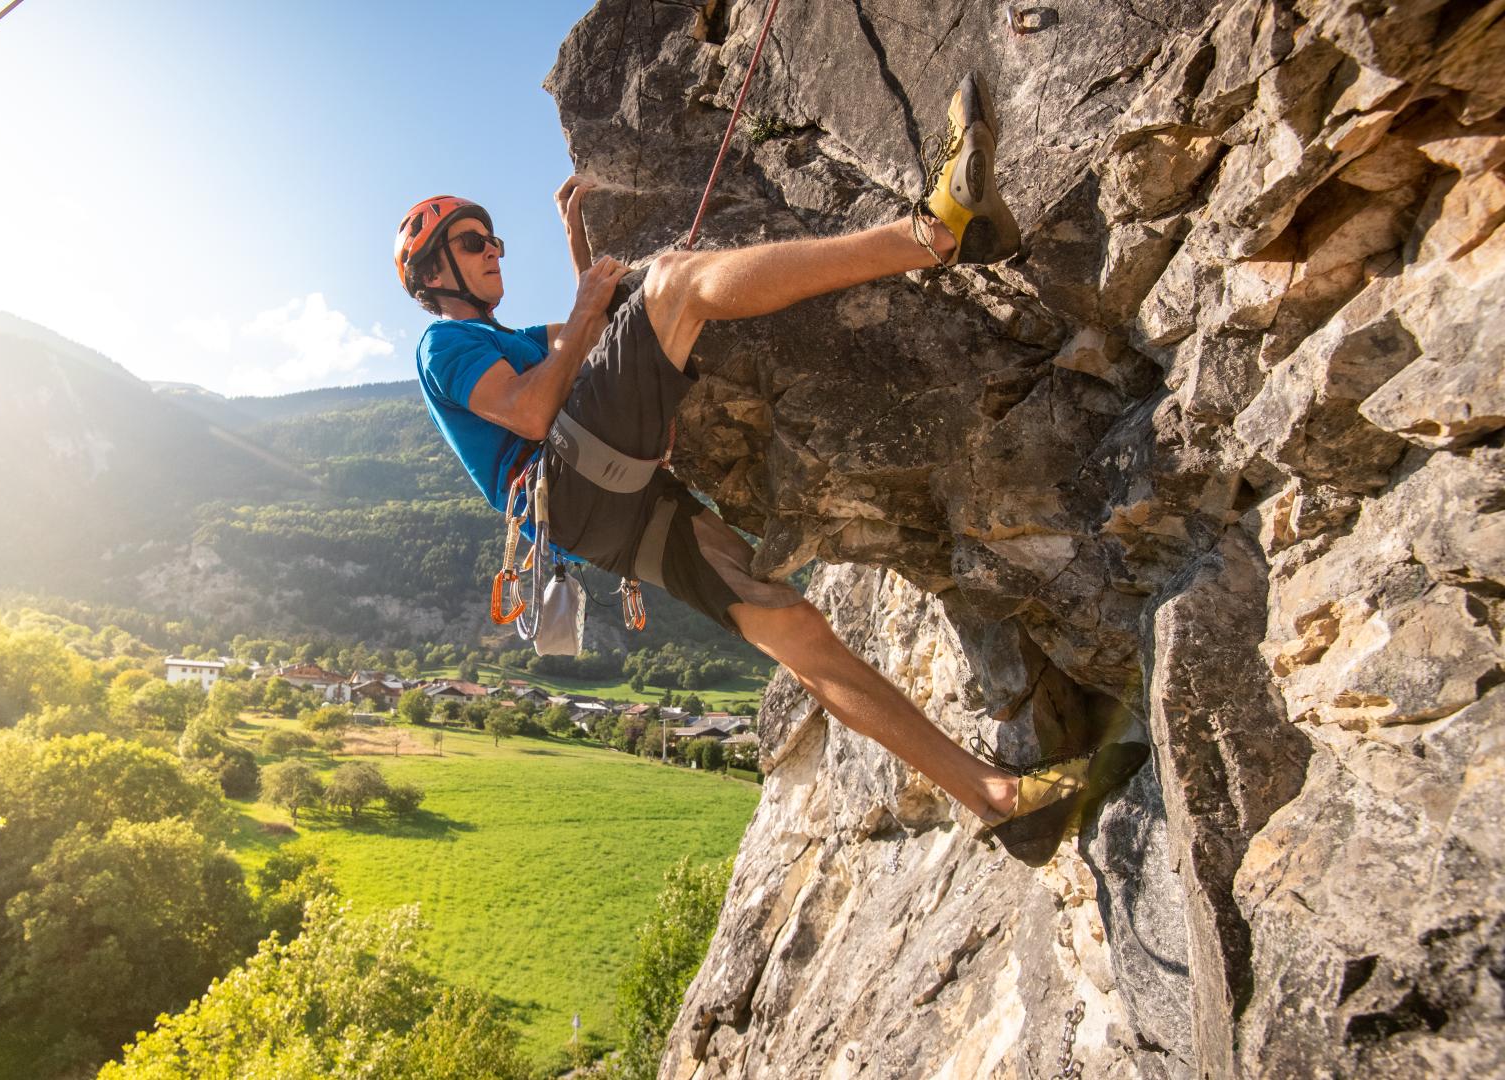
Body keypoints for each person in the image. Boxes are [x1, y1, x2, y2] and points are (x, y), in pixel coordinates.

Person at [394, 76, 1143, 856]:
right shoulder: (443, 345)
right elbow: (531, 410)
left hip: (609, 514)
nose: (494, 253)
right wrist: (589, 308)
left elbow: (607, 331)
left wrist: (580, 253)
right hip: (574, 483)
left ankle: (996, 801)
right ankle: (934, 234)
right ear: (436, 272)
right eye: (476, 244)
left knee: (796, 630)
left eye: (494, 241)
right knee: (679, 284)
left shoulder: (506, 335)